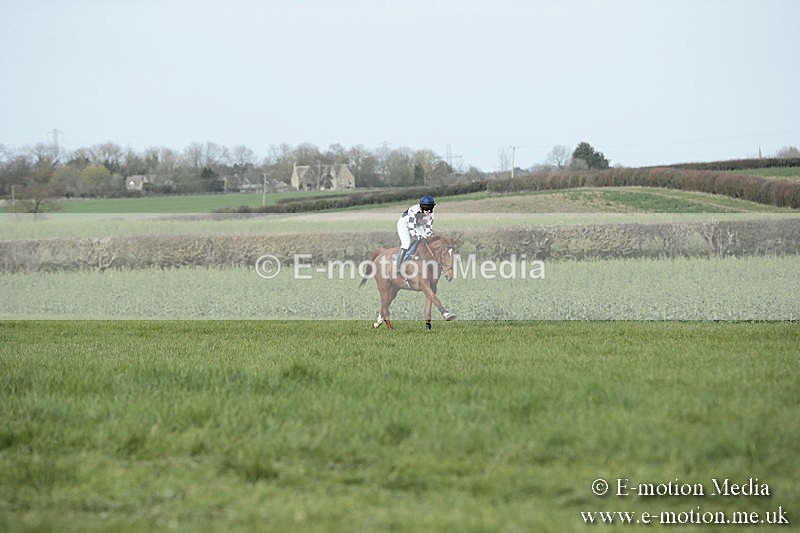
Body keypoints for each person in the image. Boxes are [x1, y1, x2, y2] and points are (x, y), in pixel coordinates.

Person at [395, 195, 436, 275]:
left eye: (430, 208)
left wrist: (430, 235)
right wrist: (418, 236)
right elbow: (411, 229)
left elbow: (428, 229)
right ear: (422, 207)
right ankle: (398, 267)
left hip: (417, 225)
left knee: (425, 240)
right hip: (404, 224)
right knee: (406, 243)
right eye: (426, 208)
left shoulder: (431, 214)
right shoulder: (413, 211)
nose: (428, 211)